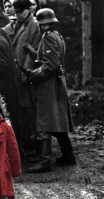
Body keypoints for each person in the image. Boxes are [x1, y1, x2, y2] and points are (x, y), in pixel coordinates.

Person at [23, 8, 76, 173]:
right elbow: (51, 59)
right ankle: (68, 155)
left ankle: (44, 161)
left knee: (45, 122)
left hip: (48, 85)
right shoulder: (57, 36)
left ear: (42, 24)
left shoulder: (48, 37)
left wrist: (33, 74)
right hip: (56, 83)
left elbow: (50, 65)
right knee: (56, 120)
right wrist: (33, 52)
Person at [11, 0, 41, 161]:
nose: (17, 15)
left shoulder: (34, 25)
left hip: (27, 76)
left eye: (20, 12)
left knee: (29, 112)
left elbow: (33, 51)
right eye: (16, 12)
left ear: (27, 10)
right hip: (17, 74)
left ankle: (32, 149)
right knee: (22, 112)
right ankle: (26, 147)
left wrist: (27, 72)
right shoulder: (19, 24)